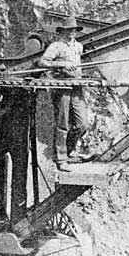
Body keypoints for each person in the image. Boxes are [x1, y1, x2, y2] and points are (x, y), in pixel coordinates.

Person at [38, 15, 91, 172]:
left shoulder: (79, 47)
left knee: (82, 124)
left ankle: (69, 150)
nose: (71, 33)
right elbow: (42, 62)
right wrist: (62, 64)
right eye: (68, 30)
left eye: (73, 30)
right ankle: (61, 159)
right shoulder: (56, 46)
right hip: (62, 88)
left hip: (76, 87)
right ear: (62, 31)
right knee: (63, 124)